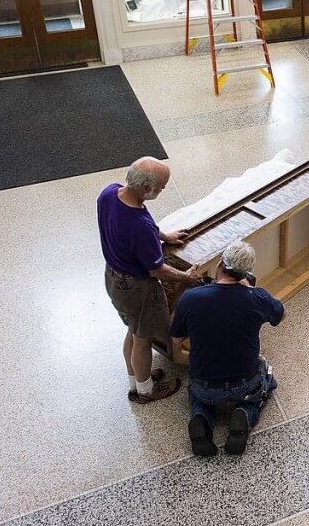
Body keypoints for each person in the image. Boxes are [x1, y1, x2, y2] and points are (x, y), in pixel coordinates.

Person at [97, 157, 201, 404]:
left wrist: (164, 236)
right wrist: (186, 276)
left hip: (113, 277)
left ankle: (136, 378)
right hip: (136, 288)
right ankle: (145, 391)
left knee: (132, 331)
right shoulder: (139, 226)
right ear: (146, 187)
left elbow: (144, 226)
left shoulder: (109, 193)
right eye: (162, 186)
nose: (164, 189)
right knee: (142, 340)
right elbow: (156, 270)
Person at [169, 241, 283, 456]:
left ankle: (201, 419)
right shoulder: (258, 298)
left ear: (220, 263)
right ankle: (243, 414)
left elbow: (175, 340)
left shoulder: (191, 298)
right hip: (244, 384)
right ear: (246, 274)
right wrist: (252, 291)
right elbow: (281, 315)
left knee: (195, 394)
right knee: (266, 376)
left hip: (204, 385)